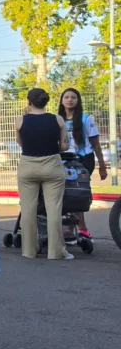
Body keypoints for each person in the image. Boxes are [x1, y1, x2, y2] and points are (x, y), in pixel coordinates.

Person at [17, 88, 71, 260]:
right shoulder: (57, 119)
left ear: (29, 101)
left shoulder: (20, 120)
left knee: (28, 209)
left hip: (27, 165)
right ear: (46, 101)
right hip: (52, 164)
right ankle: (56, 252)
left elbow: (21, 143)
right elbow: (65, 146)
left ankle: (29, 250)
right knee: (54, 209)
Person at [58, 87, 106, 241]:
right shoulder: (57, 119)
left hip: (83, 160)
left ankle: (82, 230)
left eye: (73, 97)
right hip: (62, 160)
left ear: (78, 101)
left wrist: (102, 167)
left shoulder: (86, 120)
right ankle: (69, 230)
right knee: (64, 194)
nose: (70, 100)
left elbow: (96, 145)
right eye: (66, 97)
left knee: (77, 193)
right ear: (62, 101)